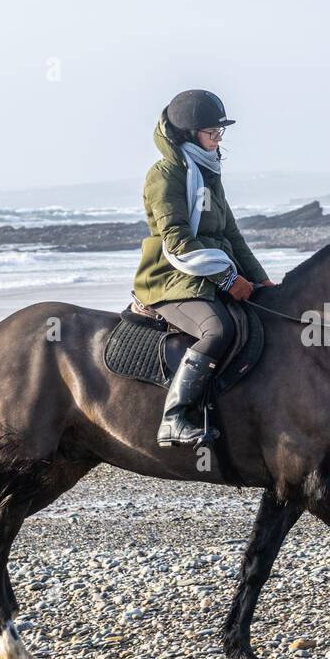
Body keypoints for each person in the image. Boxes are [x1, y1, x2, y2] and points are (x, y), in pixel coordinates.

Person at [132, 90, 275, 447]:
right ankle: (175, 417)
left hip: (205, 275)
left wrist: (260, 280)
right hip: (170, 278)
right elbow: (178, 241)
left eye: (219, 132)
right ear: (188, 134)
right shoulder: (165, 175)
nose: (218, 139)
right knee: (217, 329)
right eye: (212, 132)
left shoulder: (209, 172)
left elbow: (230, 234)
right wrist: (228, 279)